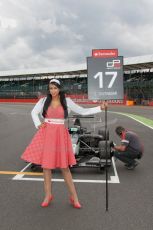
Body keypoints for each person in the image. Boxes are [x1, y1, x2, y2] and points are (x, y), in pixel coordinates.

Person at [21, 79, 107, 209]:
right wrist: (38, 124)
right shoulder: (44, 101)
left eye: (55, 88)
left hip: (60, 134)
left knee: (65, 168)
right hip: (46, 134)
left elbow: (82, 111)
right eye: (50, 88)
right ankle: (48, 195)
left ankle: (74, 197)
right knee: (46, 167)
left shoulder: (67, 101)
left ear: (59, 88)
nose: (53, 91)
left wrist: (100, 108)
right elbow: (33, 112)